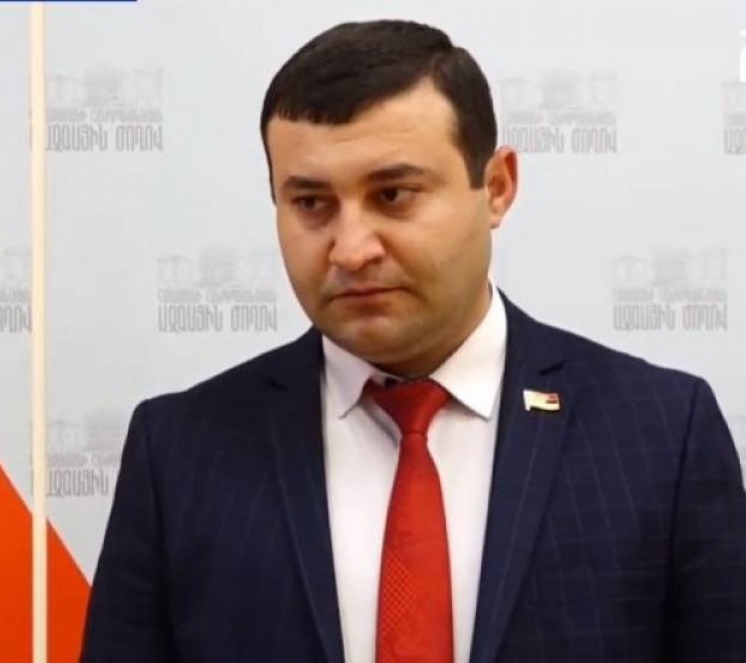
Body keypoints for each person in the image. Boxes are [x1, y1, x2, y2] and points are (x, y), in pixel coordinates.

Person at [79, 19, 746, 663]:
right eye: (311, 203)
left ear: (497, 187)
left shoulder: (663, 435)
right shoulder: (180, 452)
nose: (351, 249)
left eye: (394, 195)